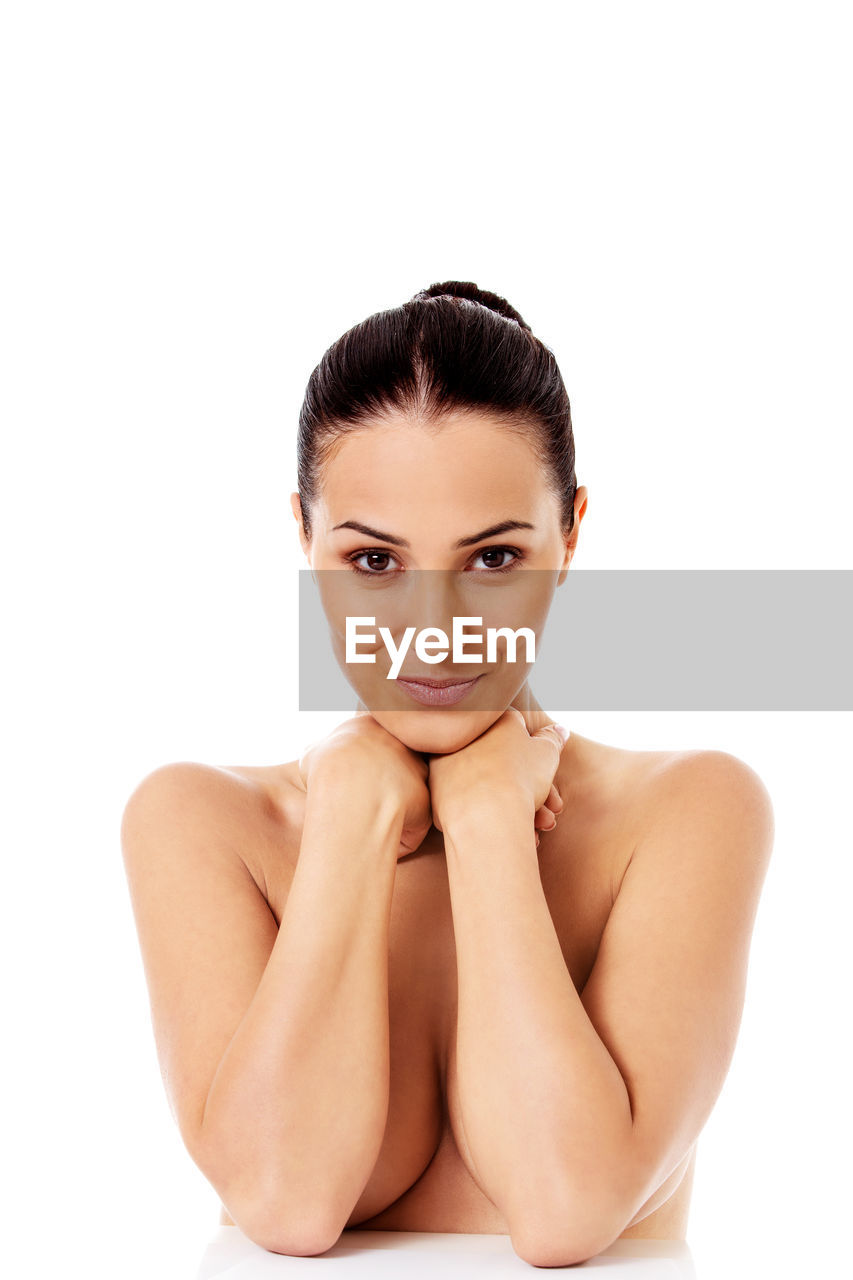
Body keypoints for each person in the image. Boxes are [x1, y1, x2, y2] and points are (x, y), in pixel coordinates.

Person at [120, 280, 775, 1268]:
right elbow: (285, 1200)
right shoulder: (200, 822)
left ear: (571, 535)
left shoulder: (689, 811)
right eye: (375, 561)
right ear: (306, 535)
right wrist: (347, 812)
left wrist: (486, 821)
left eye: (494, 555)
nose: (432, 626)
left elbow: (565, 1207)